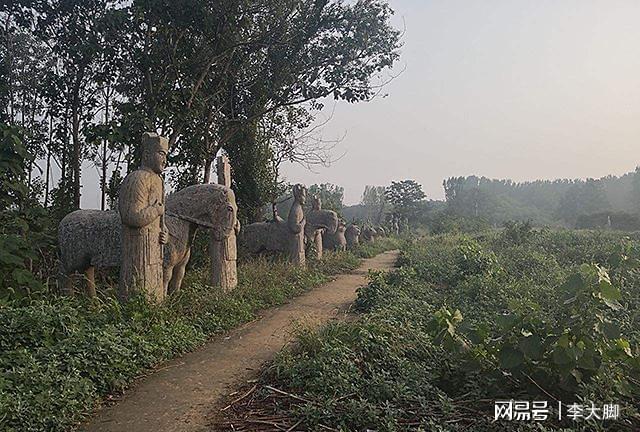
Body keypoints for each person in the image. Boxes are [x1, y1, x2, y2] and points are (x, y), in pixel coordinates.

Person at [118, 132, 169, 302]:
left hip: (154, 251)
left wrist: (164, 233)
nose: (164, 160)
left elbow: (161, 221)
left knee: (154, 292)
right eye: (161, 153)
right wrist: (155, 211)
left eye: (166, 155)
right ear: (147, 154)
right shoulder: (137, 179)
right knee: (139, 289)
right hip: (138, 250)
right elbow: (130, 216)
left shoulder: (159, 181)